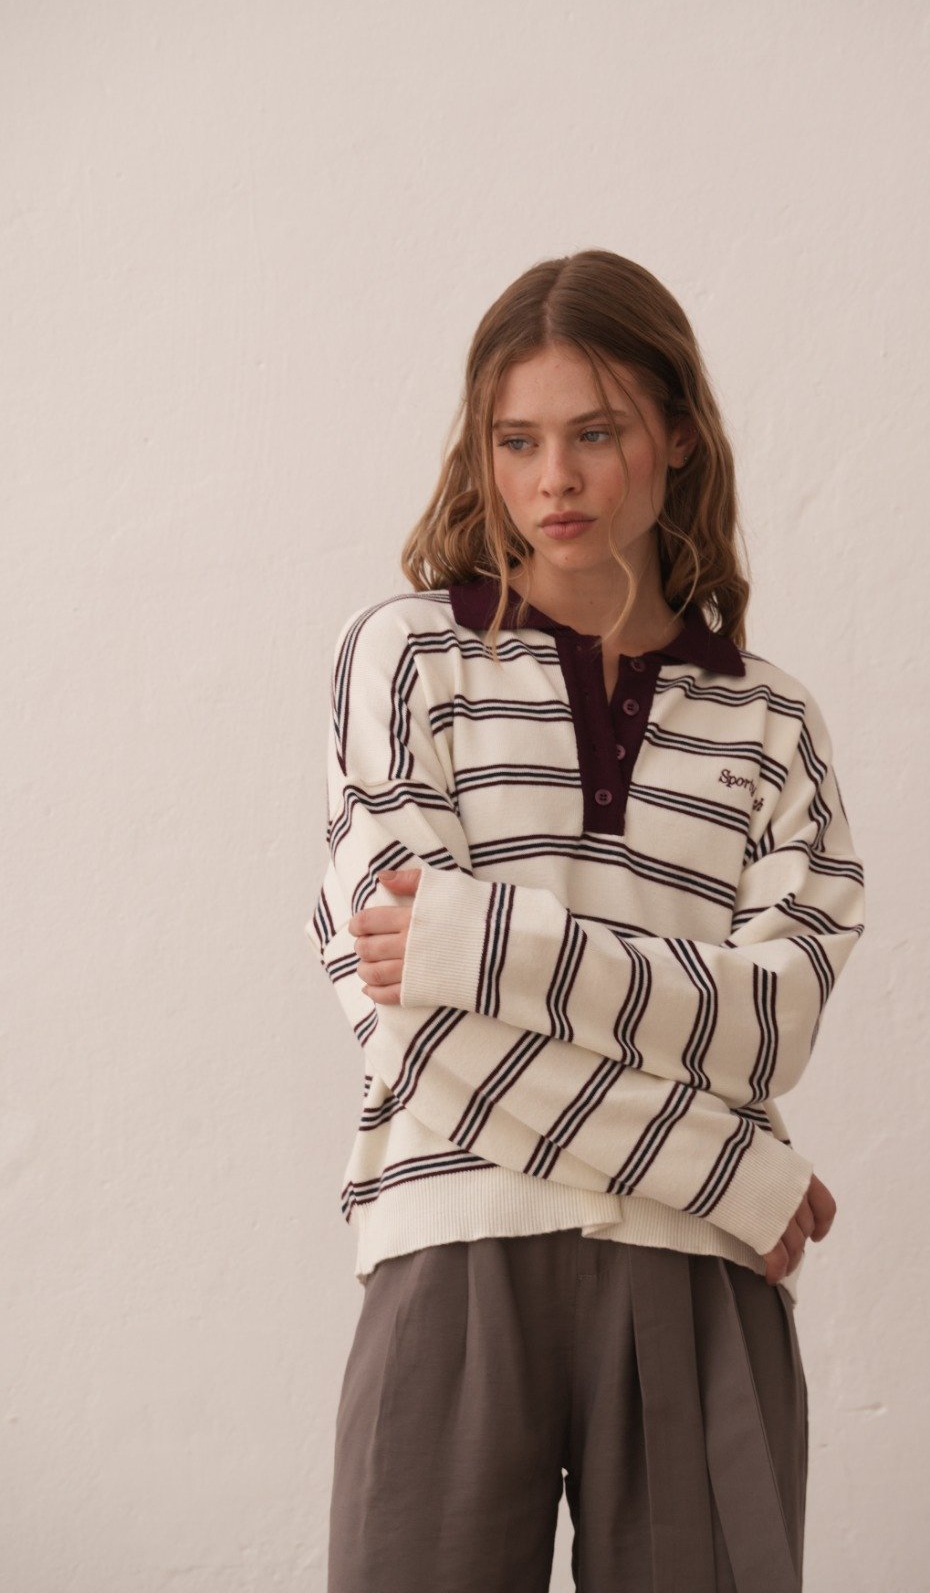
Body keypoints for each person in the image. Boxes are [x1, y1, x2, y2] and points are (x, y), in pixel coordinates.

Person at [304, 248, 866, 1593]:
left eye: (596, 434)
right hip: (458, 1236)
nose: (553, 478)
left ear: (676, 435)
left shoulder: (771, 723)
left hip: (697, 1279)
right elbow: (411, 1023)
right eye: (517, 441)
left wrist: (485, 944)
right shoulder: (407, 657)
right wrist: (725, 1171)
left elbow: (769, 1023)